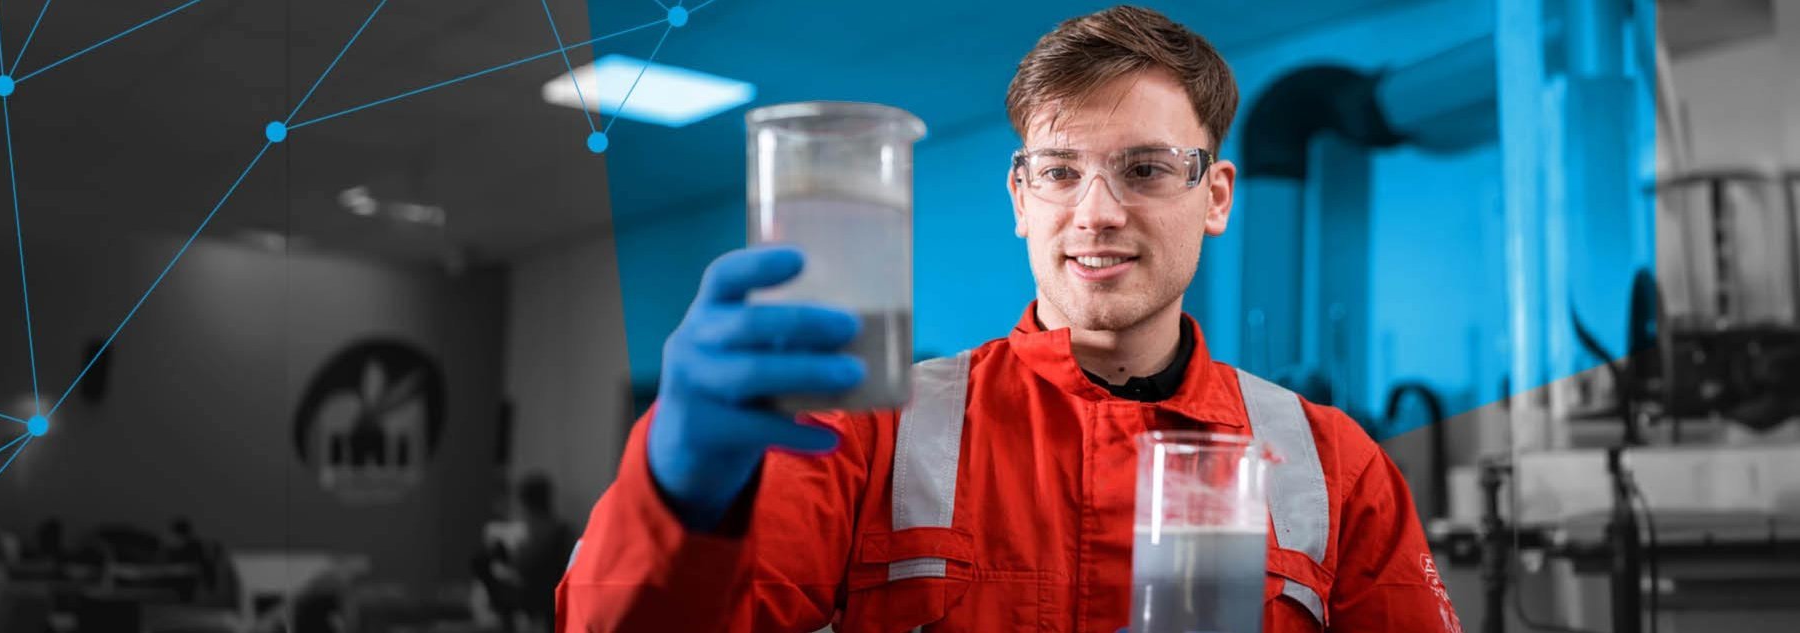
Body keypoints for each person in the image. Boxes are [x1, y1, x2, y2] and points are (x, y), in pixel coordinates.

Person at [558, 5, 1462, 632]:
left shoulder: (1334, 464)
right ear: (1020, 198)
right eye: (1061, 171)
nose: (1096, 212)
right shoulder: (871, 434)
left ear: (1215, 195)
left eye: (1144, 169)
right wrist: (674, 492)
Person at [475, 473, 576, 632]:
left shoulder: (542, 528)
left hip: (537, 595)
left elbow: (524, 566)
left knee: (480, 563)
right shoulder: (558, 528)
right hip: (549, 593)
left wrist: (503, 554)